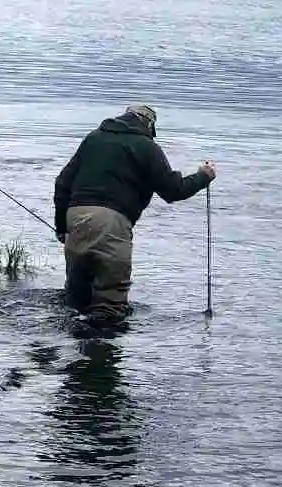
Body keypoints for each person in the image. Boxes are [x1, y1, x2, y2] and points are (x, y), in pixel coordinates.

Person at [54, 103, 216, 325]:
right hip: (113, 223)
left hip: (76, 217)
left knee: (75, 299)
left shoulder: (94, 139)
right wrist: (203, 176)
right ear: (149, 125)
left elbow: (62, 183)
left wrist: (62, 228)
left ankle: (71, 347)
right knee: (110, 308)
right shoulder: (146, 147)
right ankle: (101, 353)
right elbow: (173, 190)